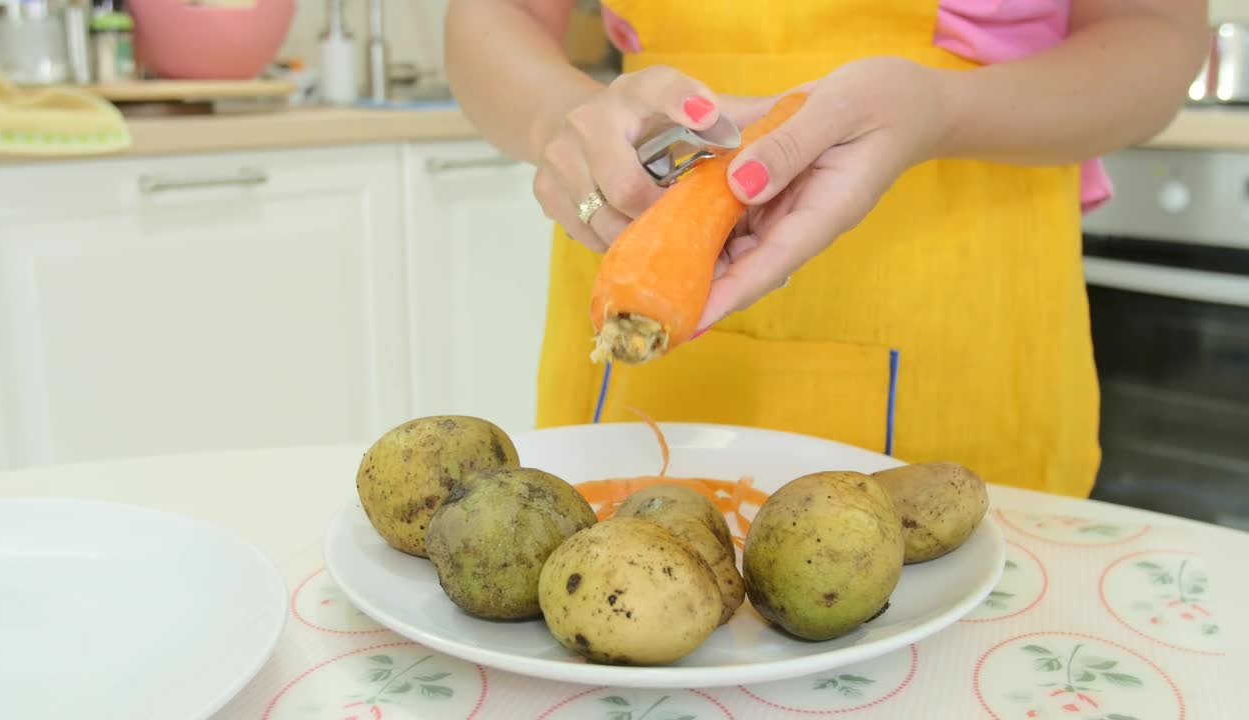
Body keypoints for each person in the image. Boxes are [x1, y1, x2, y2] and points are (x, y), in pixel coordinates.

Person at [443, 0, 1208, 498]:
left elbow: (1156, 35)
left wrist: (944, 109)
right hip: (650, 268)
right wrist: (559, 120)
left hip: (969, 308)